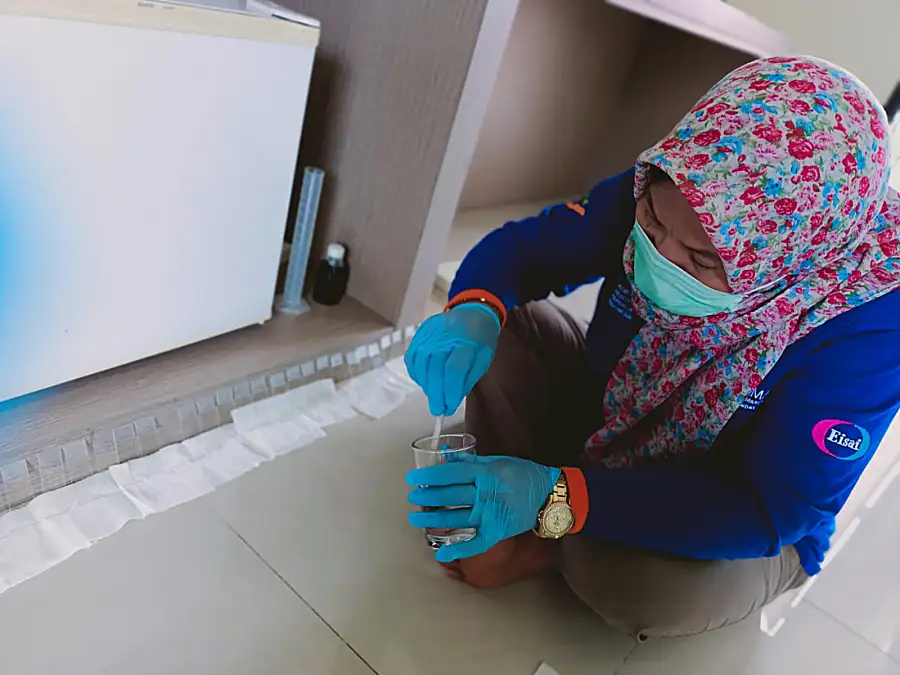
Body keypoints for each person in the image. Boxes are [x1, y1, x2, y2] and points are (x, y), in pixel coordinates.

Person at [403, 56, 900, 640]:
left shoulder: (870, 324)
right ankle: (535, 497)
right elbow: (527, 252)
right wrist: (472, 311)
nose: (659, 263)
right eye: (653, 227)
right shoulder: (679, 181)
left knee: (640, 588)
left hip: (726, 500)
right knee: (506, 327)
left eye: (701, 262)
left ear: (786, 262)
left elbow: (771, 509)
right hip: (612, 412)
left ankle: (549, 527)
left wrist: (549, 497)